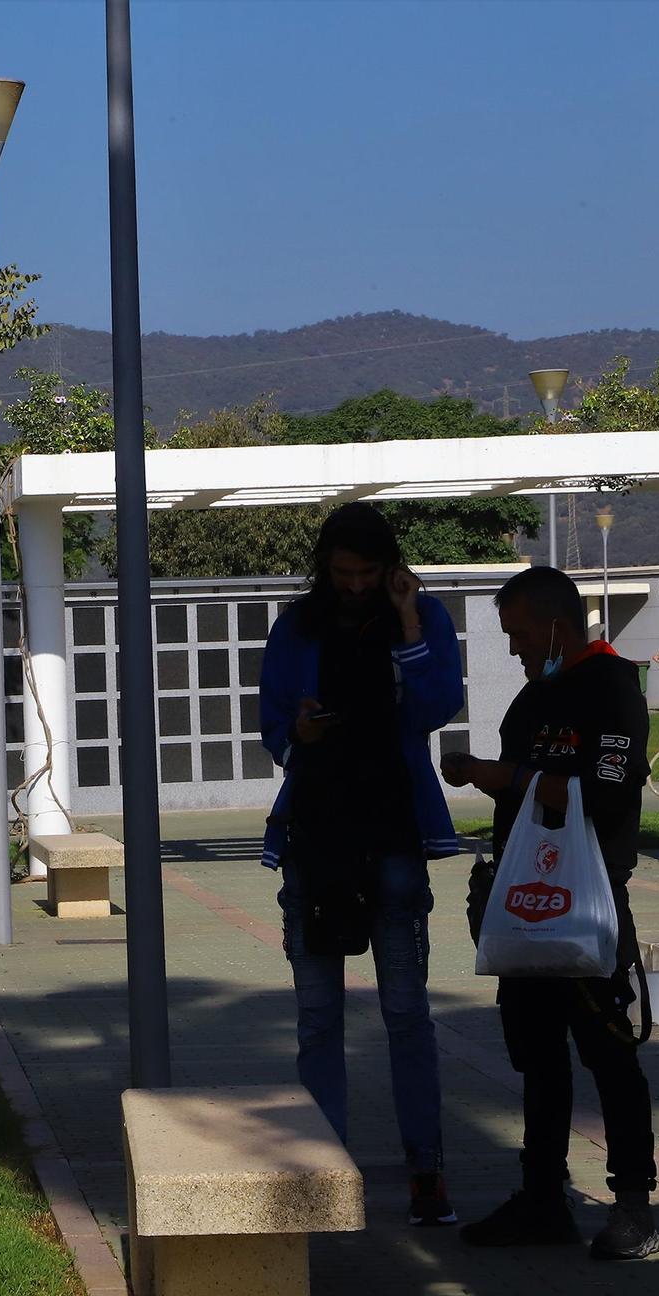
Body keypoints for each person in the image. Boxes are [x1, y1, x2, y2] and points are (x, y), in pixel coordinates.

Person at [442, 564, 659, 1261]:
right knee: (537, 1058)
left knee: (609, 1054)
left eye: (519, 634)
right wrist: (486, 778)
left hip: (589, 903)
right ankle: (541, 1199)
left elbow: (607, 793)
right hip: (527, 907)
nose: (514, 649)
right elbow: (525, 797)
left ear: (556, 626)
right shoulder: (532, 700)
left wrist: (507, 776)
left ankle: (634, 1207)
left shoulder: (613, 687)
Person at [259, 502, 465, 1227]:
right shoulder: (296, 626)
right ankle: (324, 1174)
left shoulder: (423, 616)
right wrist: (300, 733)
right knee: (318, 1017)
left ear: (390, 568)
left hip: (394, 832)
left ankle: (426, 1171)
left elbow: (436, 706)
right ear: (325, 567)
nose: (353, 586)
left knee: (406, 1012)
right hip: (316, 836)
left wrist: (406, 623)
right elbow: (271, 726)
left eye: (367, 573)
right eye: (342, 573)